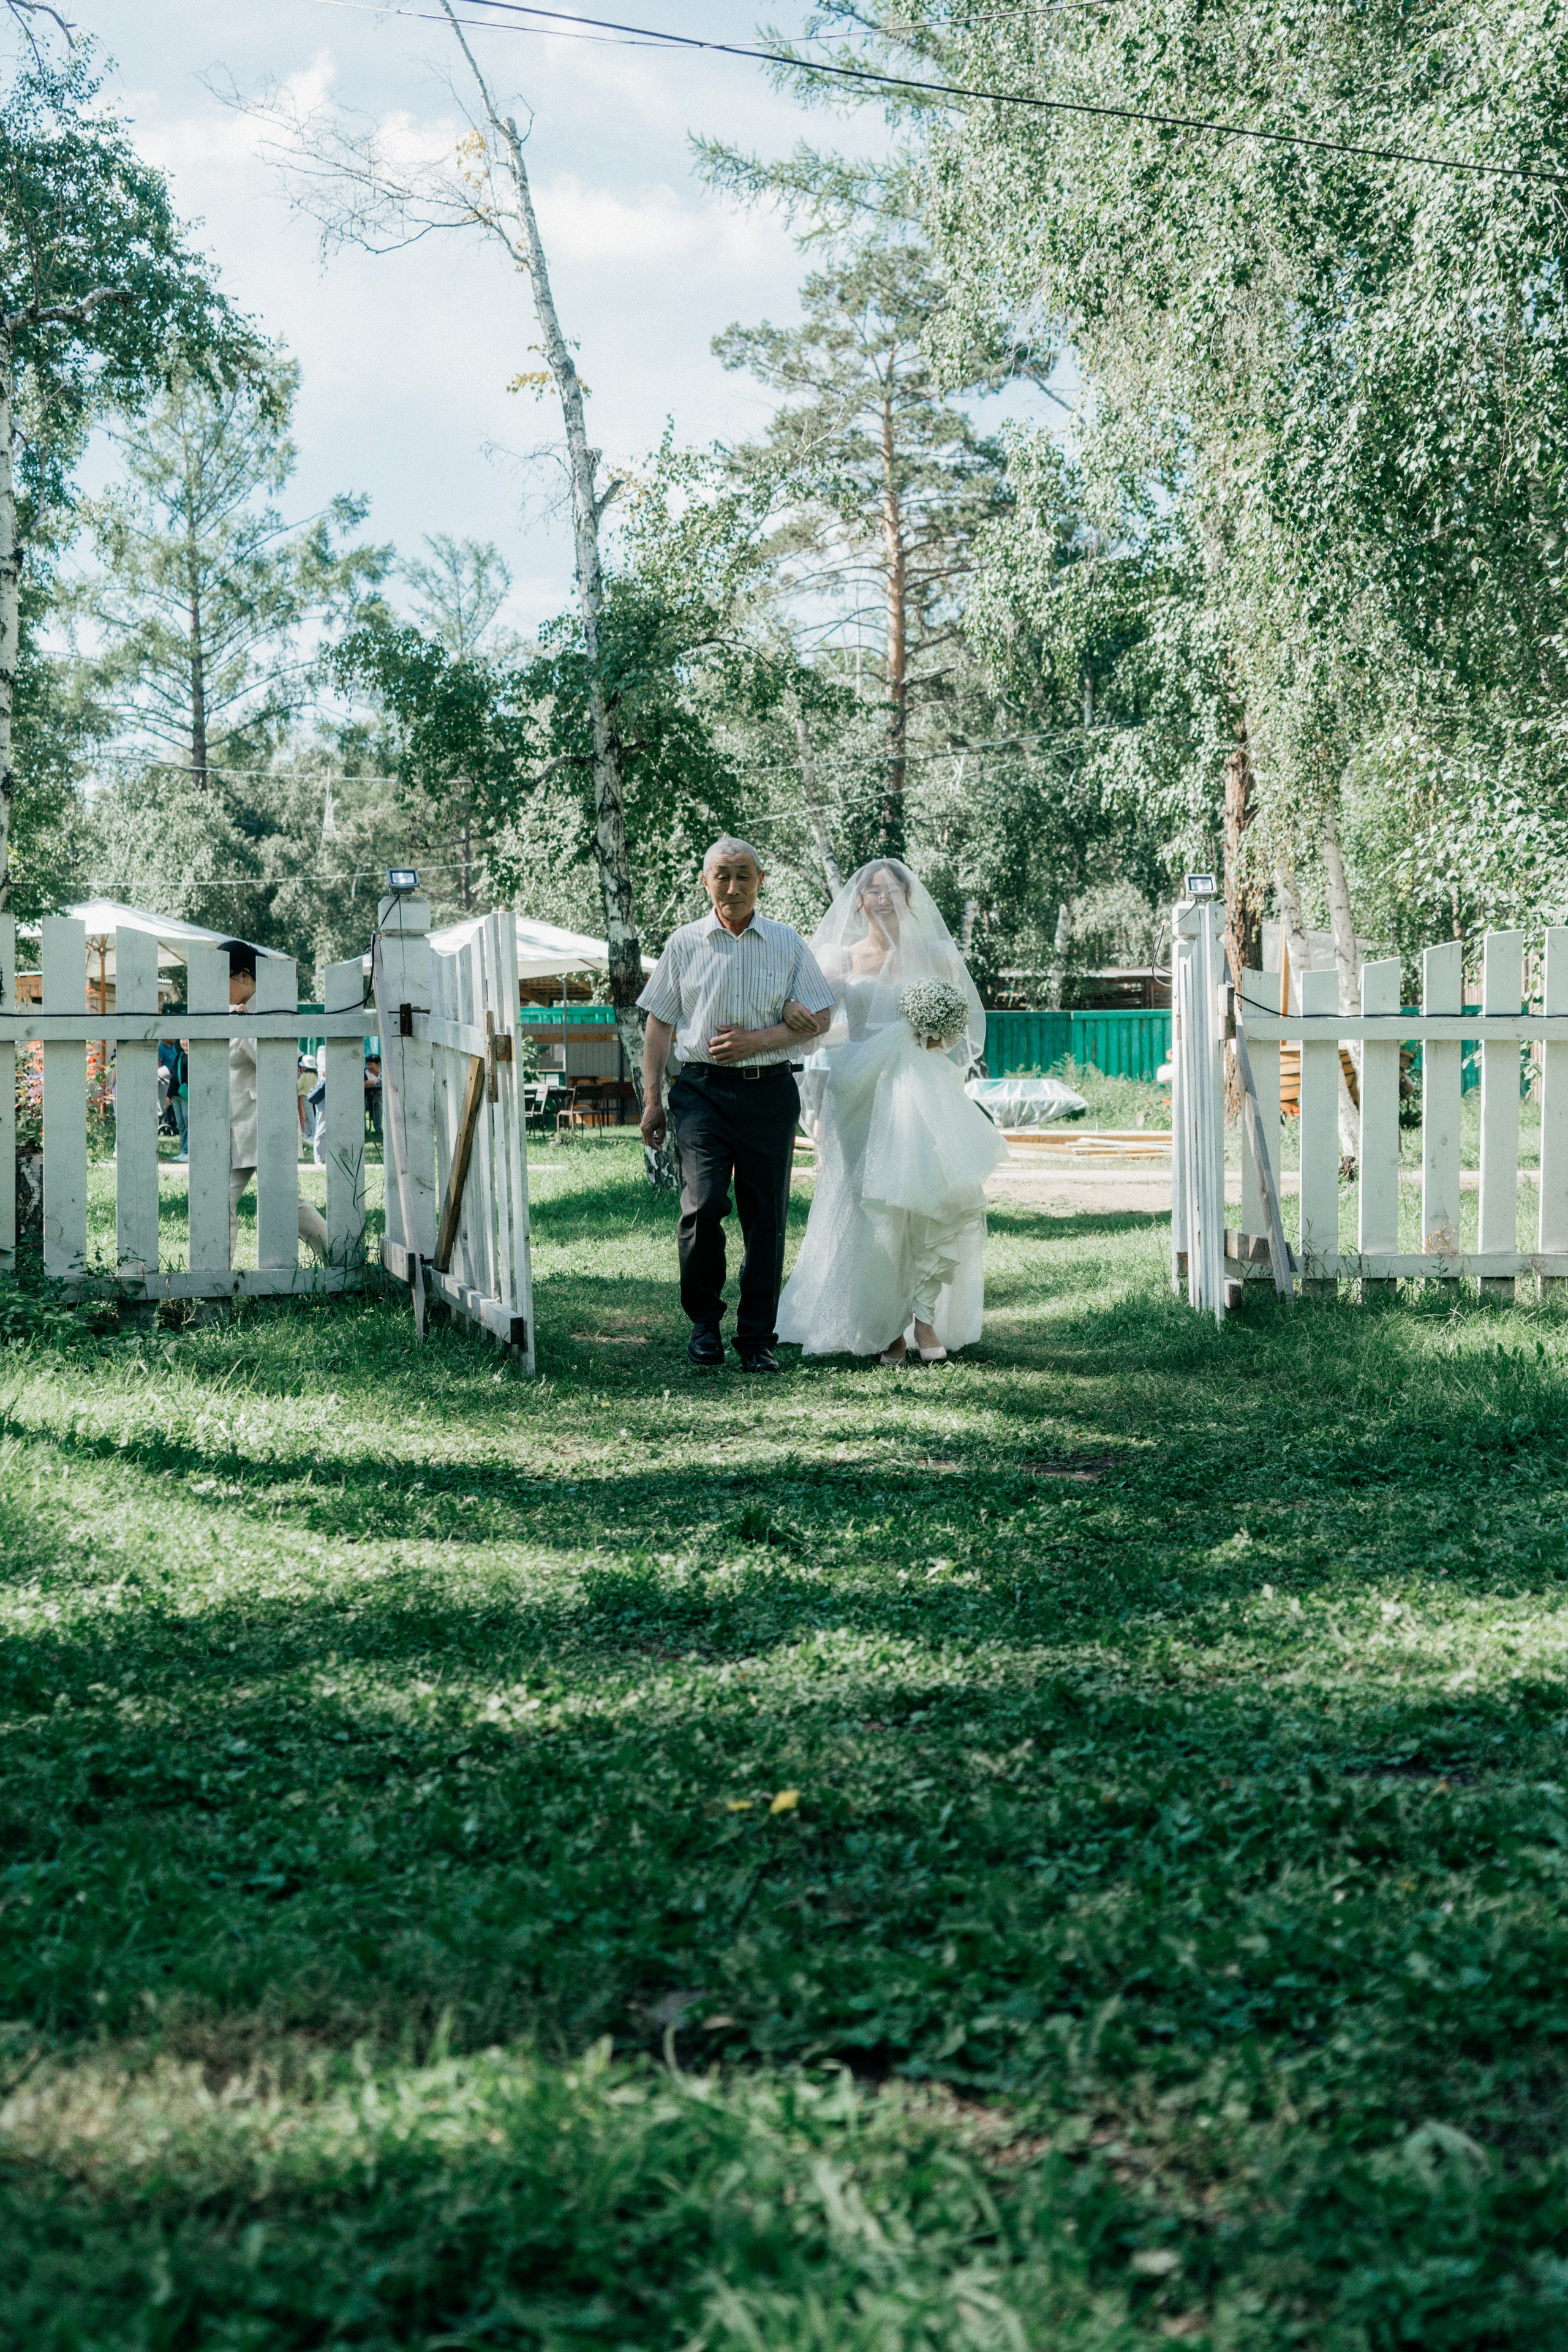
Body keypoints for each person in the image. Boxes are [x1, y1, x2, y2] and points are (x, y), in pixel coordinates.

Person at [777, 860, 1006, 1363]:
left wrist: (934, 1036)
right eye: (872, 890)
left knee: (928, 1202)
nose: (883, 897)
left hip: (922, 1088)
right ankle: (887, 1328)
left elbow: (960, 1027)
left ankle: (925, 1321)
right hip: (860, 1088)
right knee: (871, 1207)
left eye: (892, 889)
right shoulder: (840, 958)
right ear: (858, 901)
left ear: (909, 896)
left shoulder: (937, 954)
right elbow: (815, 1021)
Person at [639, 836, 834, 1371]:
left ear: (761, 881)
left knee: (764, 1217)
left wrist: (762, 1039)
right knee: (701, 1210)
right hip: (700, 1092)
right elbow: (659, 1022)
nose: (732, 886)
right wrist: (653, 1101)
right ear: (705, 882)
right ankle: (705, 1326)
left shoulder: (788, 943)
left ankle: (756, 1339)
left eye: (743, 874)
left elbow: (822, 1019)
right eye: (722, 875)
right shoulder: (683, 944)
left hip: (770, 1091)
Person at [223, 942, 330, 1264]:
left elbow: (281, 1064)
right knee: (224, 1200)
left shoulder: (269, 1007)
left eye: (222, 978)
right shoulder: (236, 1010)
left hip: (266, 1121)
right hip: (240, 1123)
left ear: (245, 975)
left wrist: (242, 1030)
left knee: (284, 1201)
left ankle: (343, 1257)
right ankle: (216, 1272)